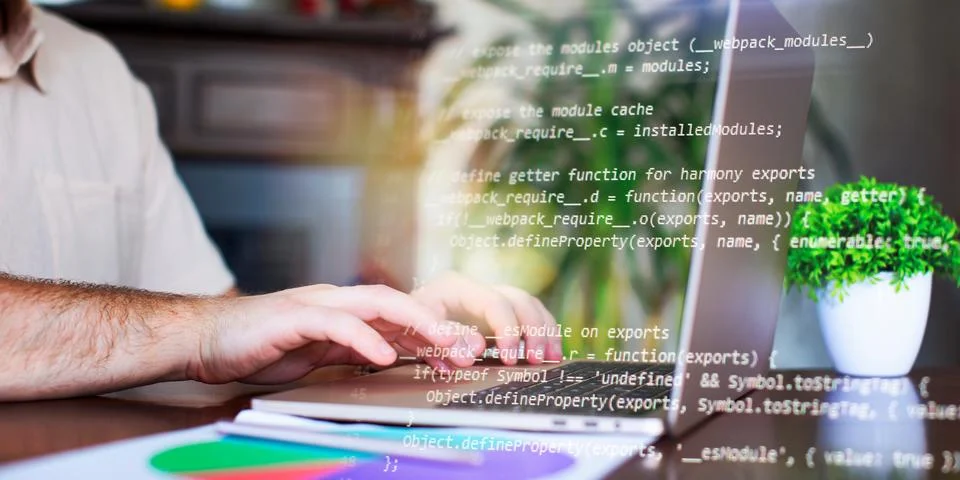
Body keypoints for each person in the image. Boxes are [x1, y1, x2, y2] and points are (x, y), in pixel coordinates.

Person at [0, 0, 562, 402]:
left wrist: (391, 336)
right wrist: (204, 332)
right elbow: (202, 332)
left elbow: (216, 325)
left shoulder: (95, 70)